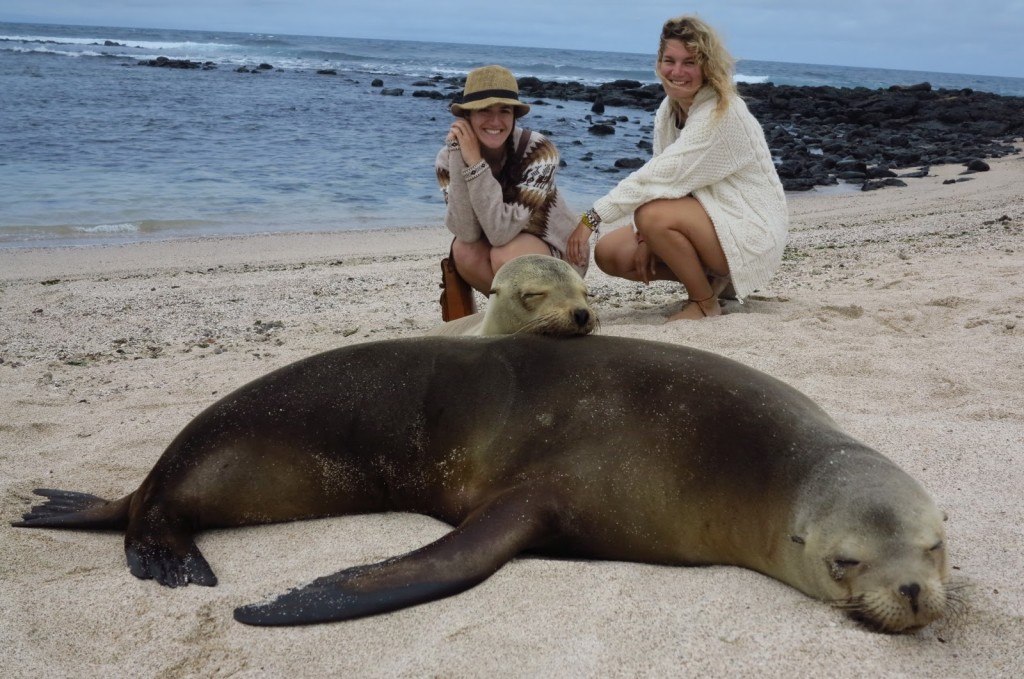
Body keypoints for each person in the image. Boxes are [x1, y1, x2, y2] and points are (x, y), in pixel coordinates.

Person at [566, 15, 788, 321]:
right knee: (611, 252)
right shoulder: (669, 109)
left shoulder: (720, 114)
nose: (677, 72)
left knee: (652, 216)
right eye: (669, 60)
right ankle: (714, 283)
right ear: (658, 62)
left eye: (690, 62)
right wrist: (645, 238)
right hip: (707, 218)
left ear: (706, 67)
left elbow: (659, 177)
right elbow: (661, 178)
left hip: (748, 228)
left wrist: (591, 217)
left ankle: (704, 302)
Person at [437, 64, 586, 295]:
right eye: (485, 110)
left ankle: (546, 307)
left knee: (504, 253)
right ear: (467, 116)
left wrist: (476, 164)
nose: (495, 122)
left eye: (505, 111)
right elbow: (466, 231)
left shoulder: (539, 151)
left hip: (559, 254)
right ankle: (516, 314)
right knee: (464, 250)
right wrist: (459, 155)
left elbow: (499, 232)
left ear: (515, 116)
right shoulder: (447, 159)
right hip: (507, 249)